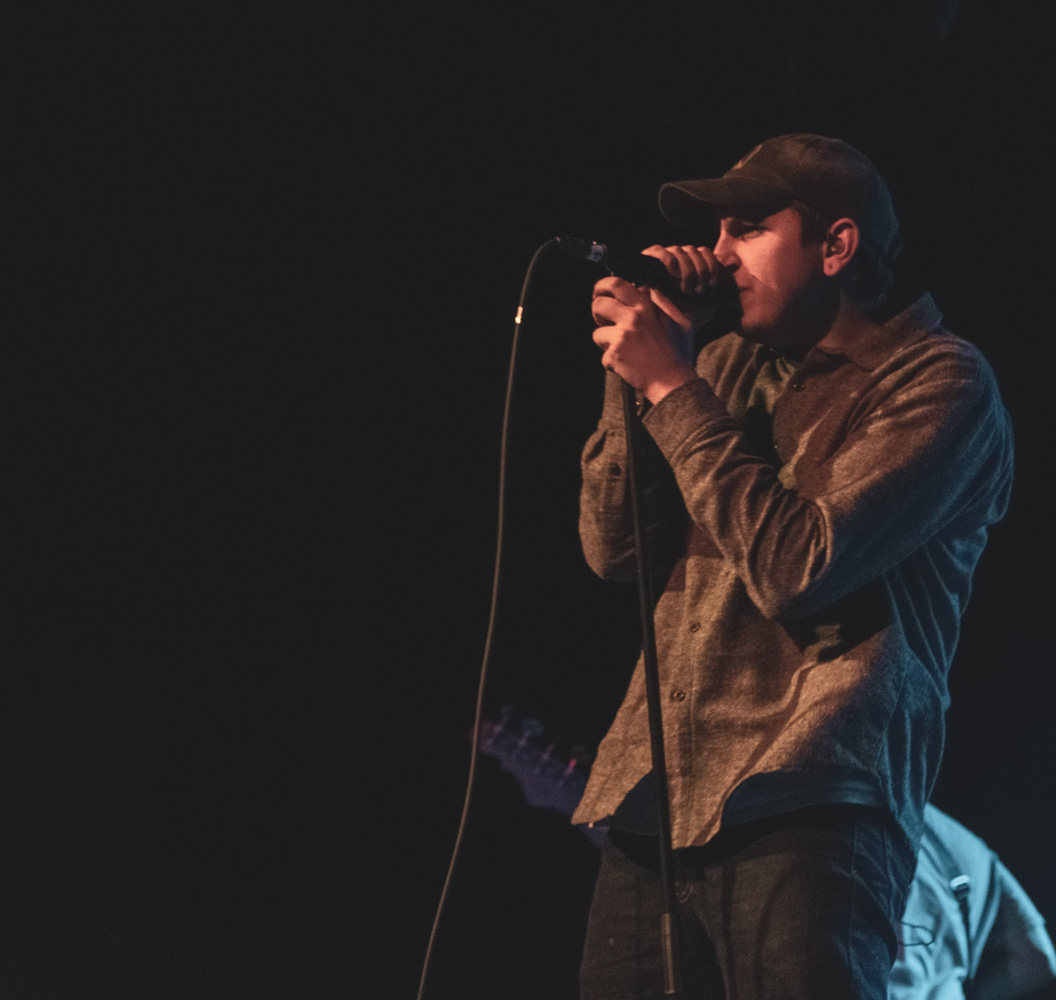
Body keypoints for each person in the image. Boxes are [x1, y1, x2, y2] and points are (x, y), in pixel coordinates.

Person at [571, 134, 1015, 999]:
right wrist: (639, 377)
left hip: (813, 791)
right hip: (657, 795)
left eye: (746, 228)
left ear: (836, 246)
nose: (718, 252)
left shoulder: (939, 383)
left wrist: (672, 389)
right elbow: (612, 549)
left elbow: (799, 565)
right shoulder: (721, 365)